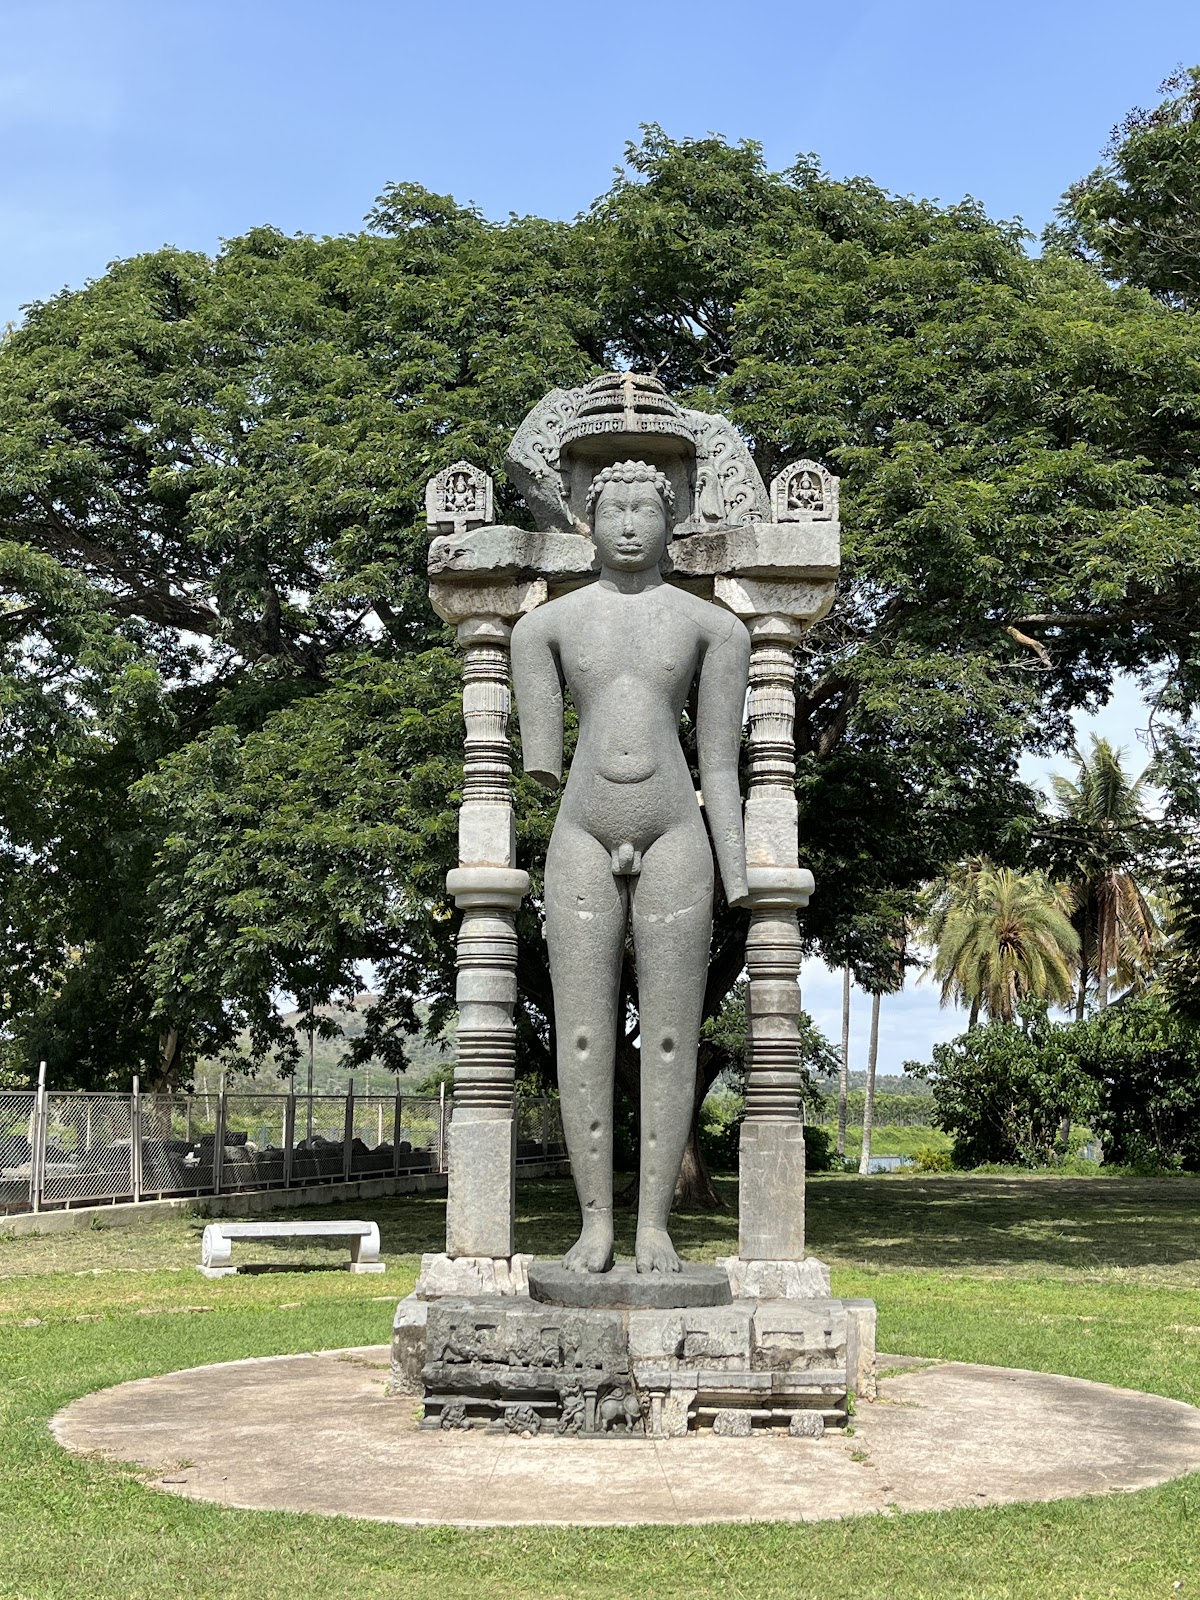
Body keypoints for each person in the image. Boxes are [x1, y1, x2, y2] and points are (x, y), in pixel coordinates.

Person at [511, 459, 750, 1273]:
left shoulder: (714, 629)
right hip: (581, 827)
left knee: (673, 1037)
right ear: (588, 518)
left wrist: (737, 867)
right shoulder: (542, 630)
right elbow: (540, 759)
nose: (627, 525)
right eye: (612, 508)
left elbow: (719, 763)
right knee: (581, 1035)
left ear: (671, 518)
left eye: (645, 509)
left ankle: (653, 1225)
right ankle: (594, 1225)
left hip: (676, 829)